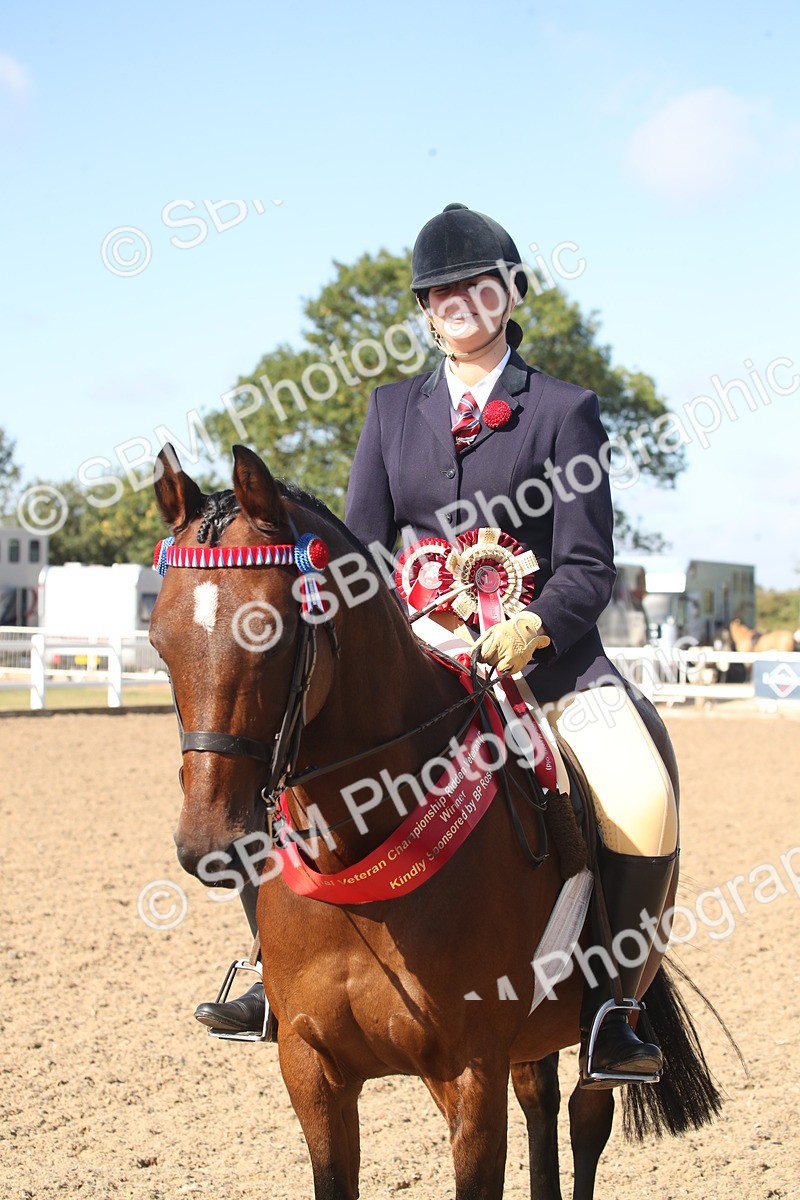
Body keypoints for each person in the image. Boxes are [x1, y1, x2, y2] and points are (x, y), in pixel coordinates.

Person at [197, 204, 679, 1088]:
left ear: (509, 292)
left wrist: (531, 628)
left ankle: (615, 1006)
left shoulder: (566, 412)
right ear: (425, 311)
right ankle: (272, 974)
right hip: (413, 657)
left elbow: (588, 564)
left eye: (475, 284)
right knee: (272, 763)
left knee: (641, 795)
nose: (458, 299)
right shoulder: (389, 412)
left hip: (544, 662)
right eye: (439, 291)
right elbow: (365, 554)